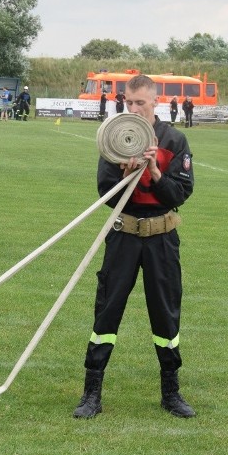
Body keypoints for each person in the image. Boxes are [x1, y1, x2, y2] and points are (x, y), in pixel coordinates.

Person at [73, 73, 196, 420]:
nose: (134, 108)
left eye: (140, 102)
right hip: (124, 234)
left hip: (161, 237)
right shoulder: (116, 138)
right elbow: (105, 191)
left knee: (165, 313)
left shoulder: (175, 139)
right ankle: (91, 393)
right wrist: (126, 172)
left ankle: (171, 392)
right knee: (107, 310)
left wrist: (155, 172)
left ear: (155, 102)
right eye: (129, 102)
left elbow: (180, 195)